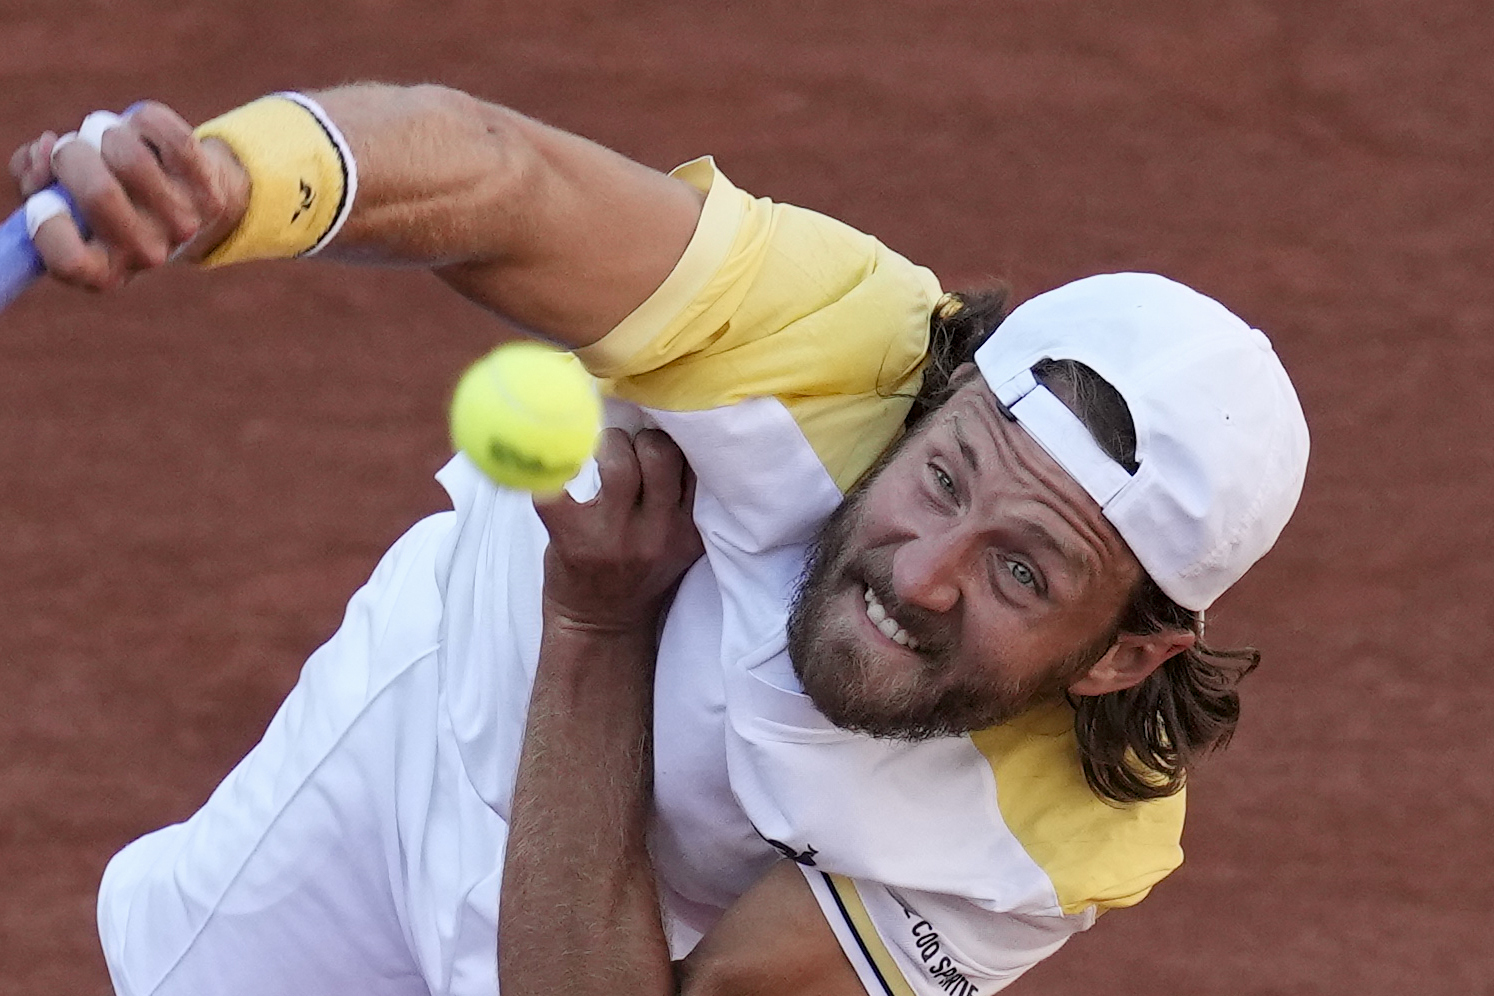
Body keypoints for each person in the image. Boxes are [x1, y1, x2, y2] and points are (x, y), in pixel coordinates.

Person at [9, 86, 1310, 996]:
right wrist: (227, 181)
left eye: (1023, 570)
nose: (921, 574)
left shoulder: (1060, 829)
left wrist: (597, 630)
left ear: (1120, 660)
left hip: (623, 924)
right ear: (940, 395)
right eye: (946, 475)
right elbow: (498, 174)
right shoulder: (831, 339)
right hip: (408, 755)